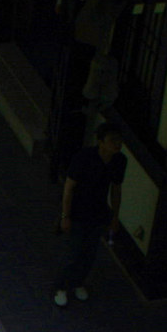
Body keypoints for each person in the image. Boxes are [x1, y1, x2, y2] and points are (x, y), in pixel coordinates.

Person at [53, 125, 127, 306]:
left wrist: (115, 216)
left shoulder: (119, 161)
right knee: (73, 253)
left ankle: (78, 283)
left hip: (98, 213)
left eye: (119, 141)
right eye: (112, 141)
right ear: (101, 142)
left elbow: (116, 189)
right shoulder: (84, 158)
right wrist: (65, 215)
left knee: (89, 253)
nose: (117, 145)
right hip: (78, 212)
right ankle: (61, 287)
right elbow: (69, 188)